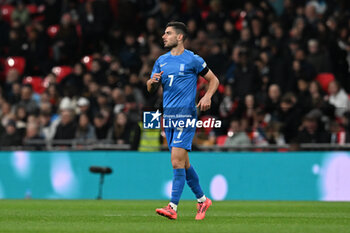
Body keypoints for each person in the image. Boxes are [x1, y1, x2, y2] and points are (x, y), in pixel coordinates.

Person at [147, 22, 219, 220]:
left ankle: (172, 207)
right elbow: (149, 87)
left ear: (179, 37)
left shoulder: (193, 60)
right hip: (168, 116)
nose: (164, 36)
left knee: (176, 160)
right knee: (184, 163)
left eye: (168, 33)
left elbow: (214, 80)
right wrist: (152, 83)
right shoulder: (161, 61)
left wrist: (207, 97)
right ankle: (203, 200)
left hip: (185, 115)